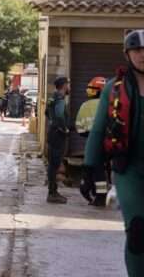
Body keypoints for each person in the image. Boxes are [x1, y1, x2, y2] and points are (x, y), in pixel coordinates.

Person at [84, 30, 144, 276]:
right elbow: (98, 130)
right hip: (129, 168)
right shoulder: (114, 88)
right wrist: (89, 169)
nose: (142, 55)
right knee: (138, 230)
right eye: (137, 50)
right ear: (127, 54)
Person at [76, 76, 109, 207]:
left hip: (92, 140)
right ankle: (99, 193)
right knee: (102, 168)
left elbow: (80, 129)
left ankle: (98, 195)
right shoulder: (110, 104)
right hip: (109, 141)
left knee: (94, 168)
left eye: (92, 90)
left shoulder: (85, 106)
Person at [45, 76, 71, 204]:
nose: (69, 87)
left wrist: (52, 123)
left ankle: (53, 191)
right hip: (58, 135)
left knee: (52, 164)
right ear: (64, 85)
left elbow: (46, 113)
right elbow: (60, 114)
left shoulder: (52, 97)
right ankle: (52, 193)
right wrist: (64, 128)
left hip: (52, 133)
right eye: (68, 84)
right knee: (54, 165)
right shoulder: (60, 98)